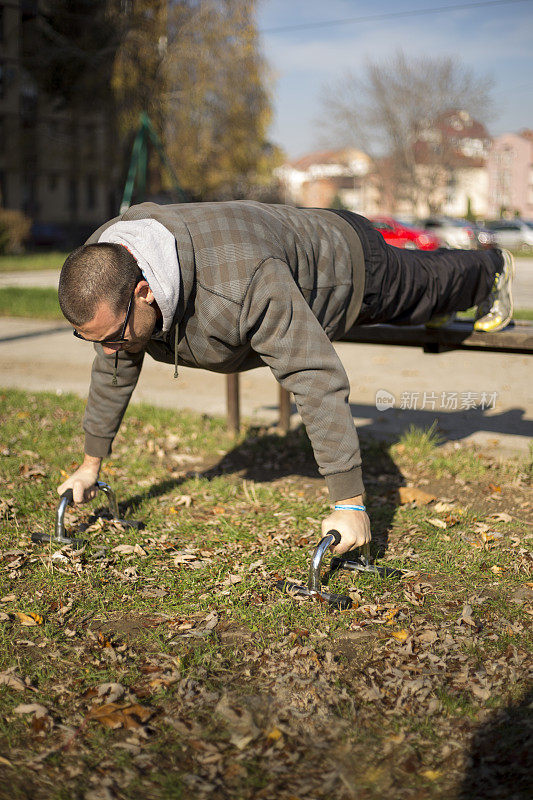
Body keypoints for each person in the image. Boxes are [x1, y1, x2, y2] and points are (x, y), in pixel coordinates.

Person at [56, 201, 514, 555]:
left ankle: (492, 267)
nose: (108, 348)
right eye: (91, 338)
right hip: (277, 246)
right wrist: (90, 464)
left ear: (144, 291)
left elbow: (314, 376)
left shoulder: (242, 282)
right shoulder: (108, 260)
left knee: (429, 291)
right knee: (427, 297)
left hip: (347, 264)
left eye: (114, 335)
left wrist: (350, 503)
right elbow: (114, 366)